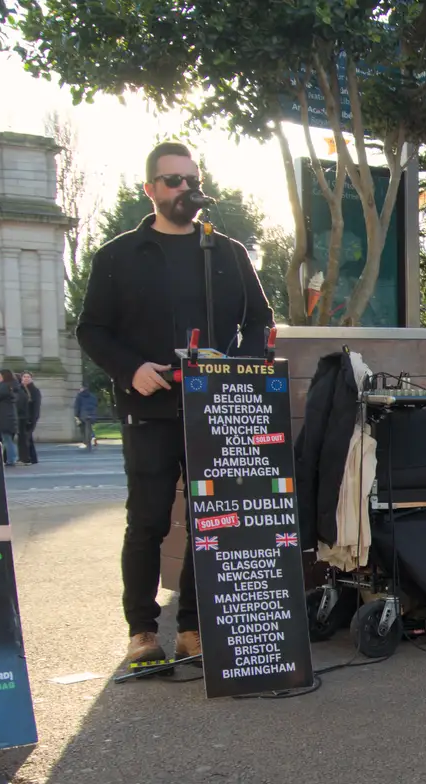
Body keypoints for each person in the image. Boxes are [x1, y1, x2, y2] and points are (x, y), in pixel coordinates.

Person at [78, 141, 272, 668]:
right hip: (150, 410)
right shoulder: (118, 255)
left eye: (192, 178)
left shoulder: (227, 253)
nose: (186, 188)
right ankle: (142, 630)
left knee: (209, 521)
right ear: (151, 190)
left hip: (213, 409)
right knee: (148, 521)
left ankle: (191, 626)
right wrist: (131, 369)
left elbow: (259, 319)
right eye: (173, 180)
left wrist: (236, 369)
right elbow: (91, 329)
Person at [17, 372, 42, 464]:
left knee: (26, 438)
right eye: (24, 377)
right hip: (21, 417)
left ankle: (26, 458)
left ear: (31, 379)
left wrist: (33, 418)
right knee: (27, 438)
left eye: (28, 377)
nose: (26, 378)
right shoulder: (19, 389)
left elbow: (36, 406)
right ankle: (32, 458)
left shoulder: (35, 390)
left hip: (29, 417)